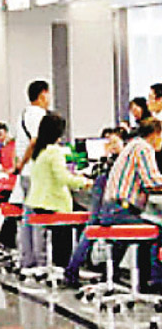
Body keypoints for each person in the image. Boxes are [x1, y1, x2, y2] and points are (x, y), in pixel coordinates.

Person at [87, 118, 162, 291]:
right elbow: (151, 180)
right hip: (120, 209)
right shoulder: (143, 148)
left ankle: (111, 276)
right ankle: (153, 281)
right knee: (156, 230)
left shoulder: (132, 146)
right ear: (156, 134)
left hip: (111, 209)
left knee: (140, 231)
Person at [23, 113, 91, 269]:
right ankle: (68, 266)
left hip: (38, 203)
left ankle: (60, 265)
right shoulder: (54, 151)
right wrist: (84, 182)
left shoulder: (39, 151)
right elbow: (63, 178)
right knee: (85, 218)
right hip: (53, 204)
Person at [64, 130, 125, 287]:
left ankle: (104, 271)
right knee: (93, 229)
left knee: (92, 229)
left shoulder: (111, 161)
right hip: (107, 189)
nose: (111, 146)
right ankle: (76, 269)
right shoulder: (119, 160)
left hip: (102, 187)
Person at [13, 80, 52, 269]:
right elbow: (35, 141)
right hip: (35, 172)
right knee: (37, 219)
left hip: (25, 174)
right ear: (43, 94)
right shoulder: (40, 115)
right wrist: (23, 162)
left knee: (27, 218)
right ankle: (40, 262)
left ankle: (27, 260)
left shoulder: (23, 114)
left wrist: (20, 164)